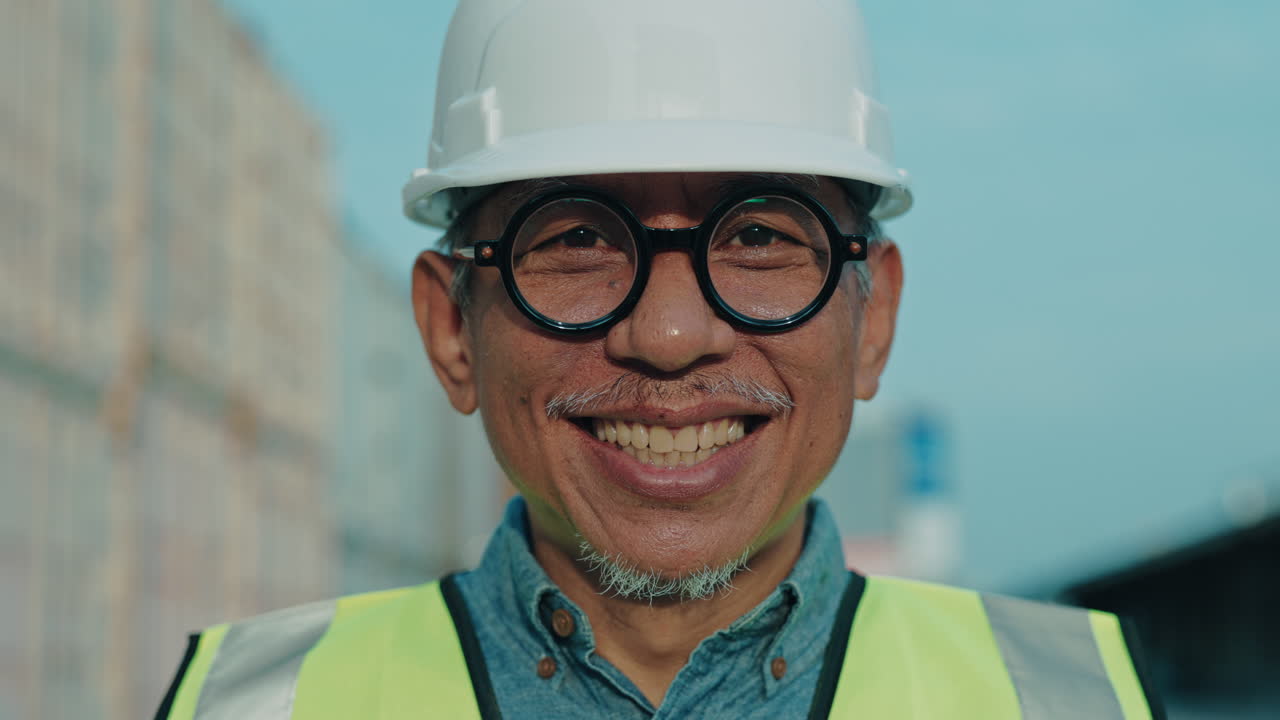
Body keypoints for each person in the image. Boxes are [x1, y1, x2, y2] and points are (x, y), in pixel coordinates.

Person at [156, 0, 1164, 718]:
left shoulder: (1066, 700)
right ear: (451, 331)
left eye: (759, 235)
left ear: (876, 316)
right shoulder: (262, 704)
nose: (670, 334)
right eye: (578, 239)